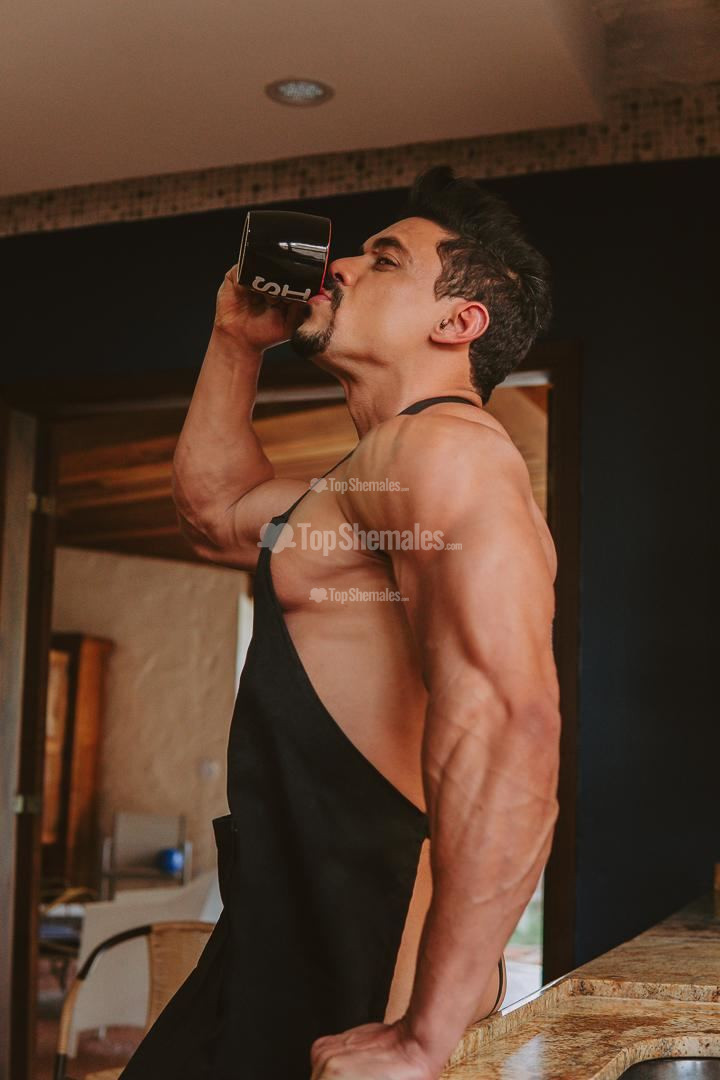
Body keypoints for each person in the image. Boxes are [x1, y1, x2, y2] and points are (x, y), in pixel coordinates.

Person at [119, 165, 561, 1080]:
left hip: (362, 973)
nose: (342, 267)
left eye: (385, 260)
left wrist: (423, 1036)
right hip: (284, 943)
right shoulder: (376, 473)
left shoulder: (445, 451)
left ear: (459, 321)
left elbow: (508, 723)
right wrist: (235, 342)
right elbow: (216, 510)